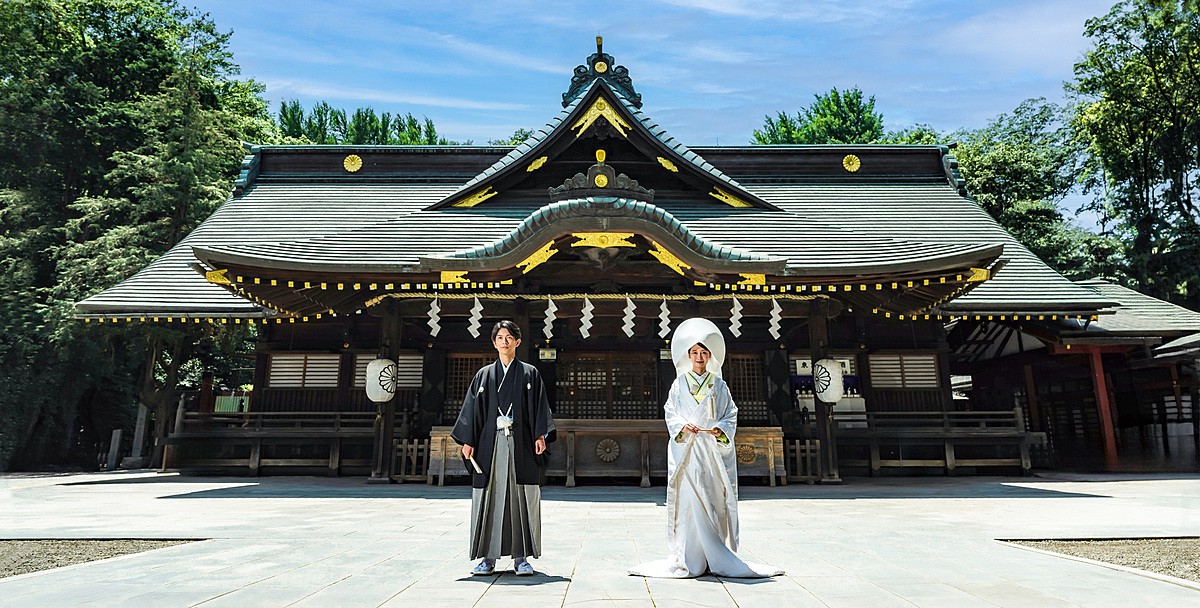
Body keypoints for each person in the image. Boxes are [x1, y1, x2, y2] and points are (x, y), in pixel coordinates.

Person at [629, 318, 783, 579]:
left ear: (710, 355)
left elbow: (730, 414)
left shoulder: (719, 385)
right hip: (687, 452)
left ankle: (715, 556)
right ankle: (690, 556)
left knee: (712, 502)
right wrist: (682, 427)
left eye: (703, 353)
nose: (699, 357)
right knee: (688, 502)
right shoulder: (679, 385)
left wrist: (720, 430)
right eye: (695, 353)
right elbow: (670, 412)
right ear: (688, 355)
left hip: (710, 451)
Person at [452, 320, 556, 576]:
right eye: (500, 337)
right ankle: (488, 558)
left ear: (518, 342)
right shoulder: (484, 375)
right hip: (491, 443)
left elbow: (540, 407)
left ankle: (522, 558)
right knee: (490, 495)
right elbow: (472, 411)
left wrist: (541, 434)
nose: (505, 341)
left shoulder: (530, 373)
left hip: (521, 442)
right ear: (494, 342)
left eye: (510, 337)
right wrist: (468, 440)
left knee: (521, 495)